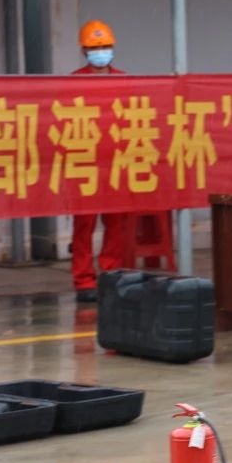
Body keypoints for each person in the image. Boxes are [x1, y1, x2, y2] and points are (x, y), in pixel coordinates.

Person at [69, 20, 131, 303]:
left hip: (116, 163)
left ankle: (111, 273)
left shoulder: (124, 80)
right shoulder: (72, 82)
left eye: (105, 46)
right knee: (84, 225)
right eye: (95, 48)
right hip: (84, 164)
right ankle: (83, 280)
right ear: (84, 51)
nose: (101, 52)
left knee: (116, 223)